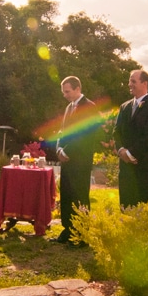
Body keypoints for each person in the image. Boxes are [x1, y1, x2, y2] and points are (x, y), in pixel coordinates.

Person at [52, 76, 101, 244]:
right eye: (63, 92)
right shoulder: (68, 107)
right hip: (66, 160)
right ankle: (68, 229)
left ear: (77, 88)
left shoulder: (90, 107)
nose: (65, 95)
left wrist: (67, 151)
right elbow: (62, 132)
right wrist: (59, 148)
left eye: (67, 91)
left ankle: (81, 234)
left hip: (80, 160)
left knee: (79, 196)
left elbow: (85, 136)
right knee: (66, 194)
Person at [113, 69, 148, 206]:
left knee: (145, 210)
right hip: (126, 169)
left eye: (133, 81)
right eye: (129, 81)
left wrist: (130, 153)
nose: (129, 84)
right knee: (126, 208)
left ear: (144, 83)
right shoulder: (124, 107)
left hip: (144, 168)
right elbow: (116, 132)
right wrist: (121, 151)